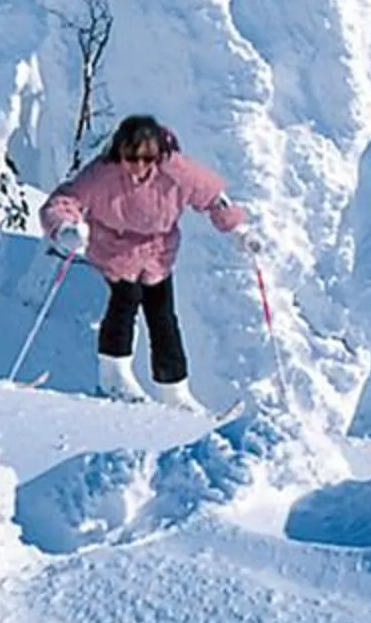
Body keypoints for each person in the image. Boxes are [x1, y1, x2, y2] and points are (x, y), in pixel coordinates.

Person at [40, 114, 250, 411]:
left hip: (157, 253)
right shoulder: (103, 174)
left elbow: (214, 198)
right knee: (125, 302)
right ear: (119, 152)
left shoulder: (177, 173)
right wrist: (66, 228)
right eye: (131, 157)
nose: (139, 165)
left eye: (147, 158)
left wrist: (238, 230)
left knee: (163, 316)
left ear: (160, 155)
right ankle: (114, 376)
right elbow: (63, 201)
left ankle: (174, 390)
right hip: (114, 247)